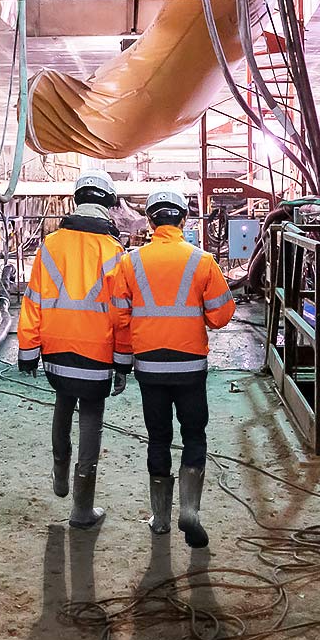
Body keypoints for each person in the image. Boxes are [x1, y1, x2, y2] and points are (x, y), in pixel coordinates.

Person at [108, 188, 235, 547]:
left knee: (158, 438)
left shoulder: (129, 263)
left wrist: (123, 361)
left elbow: (119, 316)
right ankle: (190, 511)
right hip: (190, 365)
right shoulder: (203, 261)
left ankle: (161, 519)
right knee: (194, 434)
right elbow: (222, 315)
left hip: (148, 366)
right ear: (184, 220)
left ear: (149, 222)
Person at [16, 172, 130, 529]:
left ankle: (60, 472)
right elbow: (121, 314)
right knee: (91, 420)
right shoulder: (114, 251)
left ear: (76, 200)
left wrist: (28, 350)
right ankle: (82, 509)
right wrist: (123, 361)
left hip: (56, 350)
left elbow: (32, 300)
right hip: (97, 354)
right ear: (109, 205)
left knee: (63, 403)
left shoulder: (50, 245)